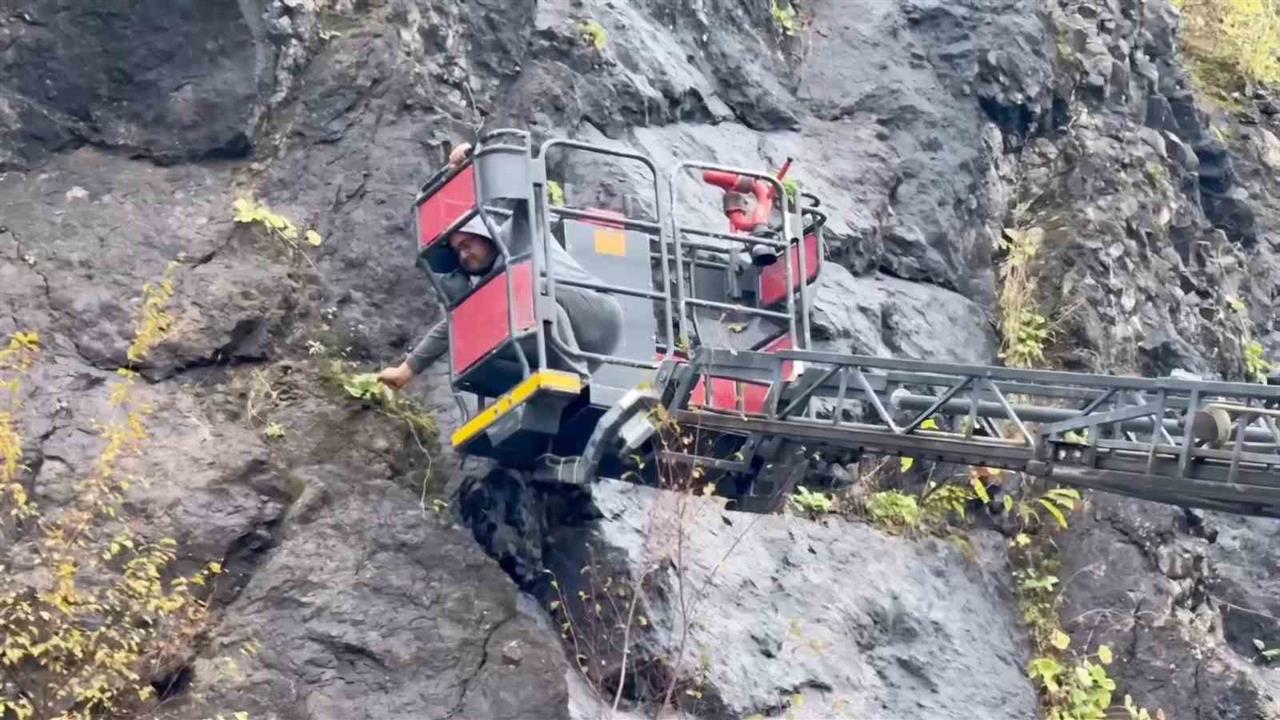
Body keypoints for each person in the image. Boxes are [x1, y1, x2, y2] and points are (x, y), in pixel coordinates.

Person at [378, 142, 624, 390]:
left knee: (516, 288)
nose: (464, 254)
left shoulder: (515, 232)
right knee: (474, 331)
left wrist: (475, 160)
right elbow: (452, 324)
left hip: (595, 316)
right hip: (560, 342)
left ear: (485, 234)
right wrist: (407, 370)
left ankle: (574, 375)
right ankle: (545, 391)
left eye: (467, 244)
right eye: (457, 251)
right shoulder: (482, 285)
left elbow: (531, 190)